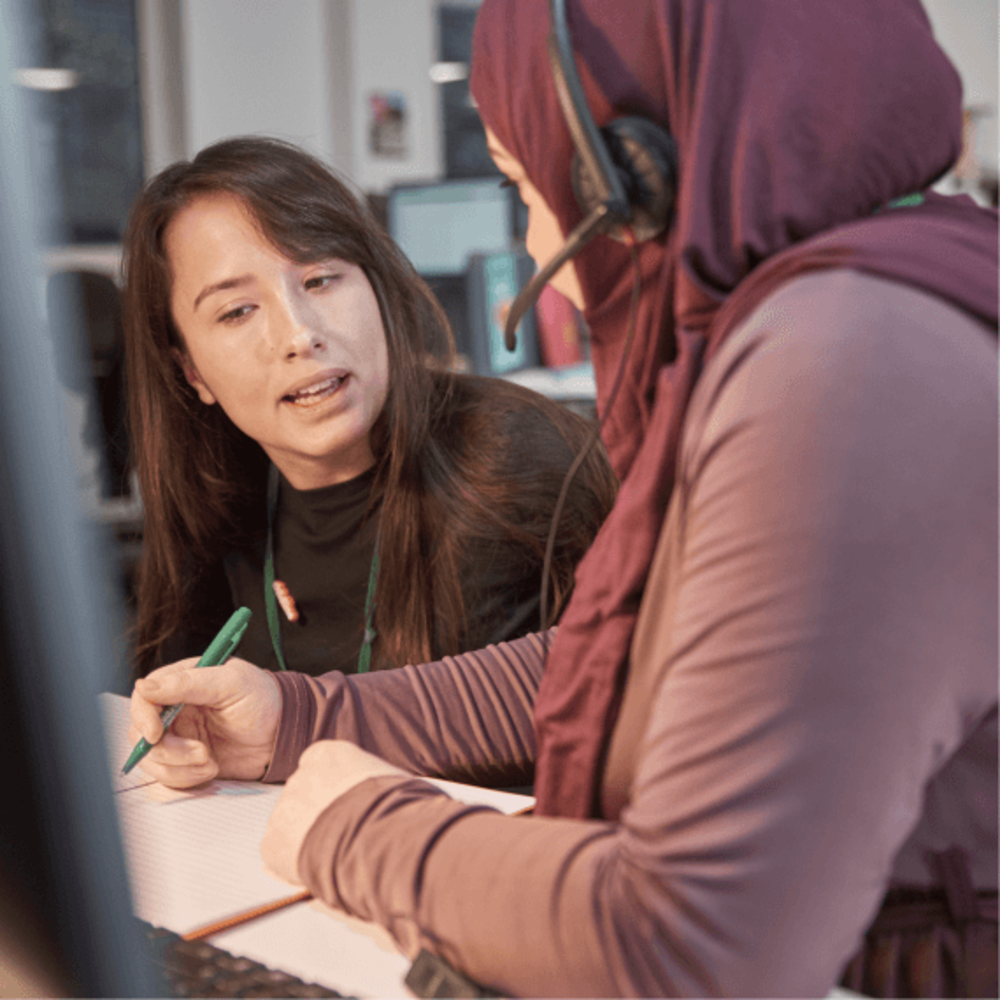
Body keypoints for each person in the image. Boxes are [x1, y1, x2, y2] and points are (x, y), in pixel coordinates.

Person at [129, 1, 998, 996]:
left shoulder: (848, 370)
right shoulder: (853, 314)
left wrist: (359, 828)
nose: (542, 243)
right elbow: (626, 660)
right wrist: (298, 718)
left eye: (526, 185)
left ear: (635, 179)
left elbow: (693, 945)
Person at [121, 136, 616, 680]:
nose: (300, 334)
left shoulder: (517, 464)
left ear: (376, 287)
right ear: (192, 372)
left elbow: (530, 716)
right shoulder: (216, 514)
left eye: (320, 280)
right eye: (237, 311)